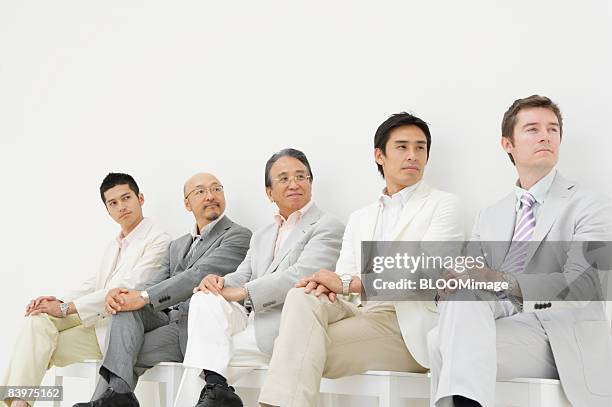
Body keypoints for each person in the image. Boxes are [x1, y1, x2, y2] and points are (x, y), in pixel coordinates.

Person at [258, 113, 465, 407]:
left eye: (420, 148)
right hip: (360, 314)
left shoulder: (444, 205)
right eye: (402, 147)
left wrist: (348, 283)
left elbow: (426, 279)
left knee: (293, 350)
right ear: (379, 155)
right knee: (301, 296)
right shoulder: (361, 217)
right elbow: (343, 278)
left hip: (407, 325)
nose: (413, 156)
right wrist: (323, 285)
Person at [428, 95, 612, 407]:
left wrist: (501, 280)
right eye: (532, 129)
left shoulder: (590, 205)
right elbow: (472, 277)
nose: (545, 136)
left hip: (559, 335)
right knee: (458, 304)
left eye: (553, 129)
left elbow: (587, 285)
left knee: (441, 342)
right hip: (500, 324)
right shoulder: (490, 215)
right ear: (507, 144)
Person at [180, 148, 345, 407]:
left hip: (285, 331)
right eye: (284, 178)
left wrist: (243, 292)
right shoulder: (262, 235)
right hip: (248, 326)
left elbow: (302, 276)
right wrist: (218, 283)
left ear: (310, 183)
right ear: (269, 193)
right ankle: (217, 387)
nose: (294, 183)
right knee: (204, 297)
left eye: (301, 176)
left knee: (197, 366)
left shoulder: (327, 225)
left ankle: (216, 387)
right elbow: (243, 274)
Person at [72, 172, 252, 407]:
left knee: (123, 356)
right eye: (200, 191)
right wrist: (127, 295)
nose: (210, 196)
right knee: (124, 310)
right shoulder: (178, 245)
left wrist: (143, 297)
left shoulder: (238, 235)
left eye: (216, 189)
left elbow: (196, 276)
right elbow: (155, 282)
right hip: (168, 321)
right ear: (187, 203)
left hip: (196, 328)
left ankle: (113, 398)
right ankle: (118, 395)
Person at [1, 173, 171, 407]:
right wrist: (57, 300)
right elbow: (94, 284)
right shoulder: (115, 244)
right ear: (107, 210)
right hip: (95, 320)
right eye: (113, 203)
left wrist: (64, 308)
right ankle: (19, 404)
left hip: (118, 330)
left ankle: (14, 403)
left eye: (126, 198)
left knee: (34, 349)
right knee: (38, 318)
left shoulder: (159, 240)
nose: (121, 207)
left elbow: (122, 291)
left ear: (140, 198)